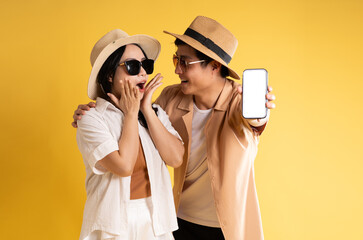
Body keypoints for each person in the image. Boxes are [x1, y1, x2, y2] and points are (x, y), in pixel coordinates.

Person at [73, 17, 276, 240]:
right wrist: (94, 112)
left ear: (214, 66)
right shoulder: (171, 97)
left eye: (185, 62)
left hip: (228, 225)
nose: (177, 70)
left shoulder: (240, 100)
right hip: (178, 220)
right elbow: (139, 122)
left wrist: (260, 111)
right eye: (175, 60)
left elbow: (255, 122)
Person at [75, 29, 184, 240]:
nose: (143, 72)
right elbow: (123, 166)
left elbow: (176, 158)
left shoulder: (155, 114)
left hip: (156, 221)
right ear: (109, 74)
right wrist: (131, 113)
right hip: (113, 226)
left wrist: (145, 111)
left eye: (146, 65)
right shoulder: (91, 119)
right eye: (133, 66)